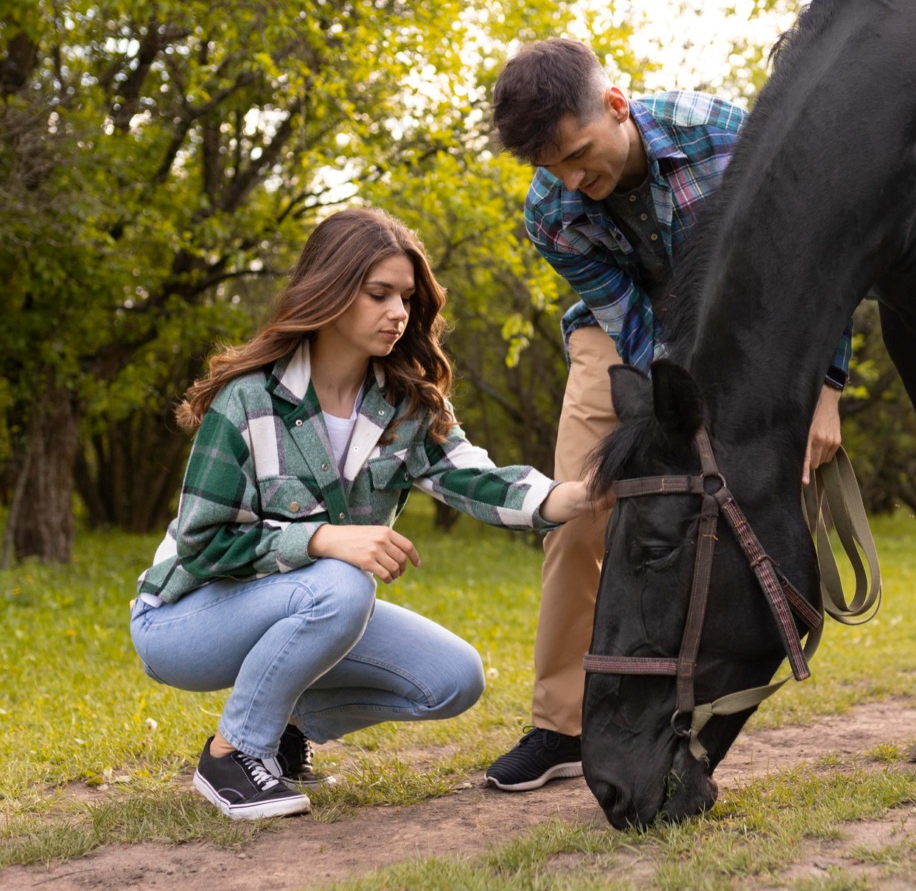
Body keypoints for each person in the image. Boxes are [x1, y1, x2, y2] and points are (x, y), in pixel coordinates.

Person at [132, 208, 602, 820]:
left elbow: (477, 480)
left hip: (311, 605)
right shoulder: (249, 398)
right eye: (378, 294)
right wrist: (323, 538)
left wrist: (574, 495)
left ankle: (282, 726)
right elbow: (202, 544)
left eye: (406, 297)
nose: (398, 313)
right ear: (329, 289)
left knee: (454, 678)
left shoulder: (404, 404)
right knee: (344, 581)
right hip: (185, 618)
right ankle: (233, 755)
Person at [483, 38, 852, 791]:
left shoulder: (724, 135)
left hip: (749, 329)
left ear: (617, 107)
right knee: (580, 508)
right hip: (626, 341)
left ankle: (709, 684)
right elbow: (631, 326)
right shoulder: (551, 212)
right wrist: (674, 412)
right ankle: (561, 726)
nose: (574, 182)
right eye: (552, 169)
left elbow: (819, 259)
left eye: (581, 155)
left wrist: (828, 389)